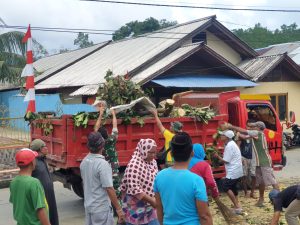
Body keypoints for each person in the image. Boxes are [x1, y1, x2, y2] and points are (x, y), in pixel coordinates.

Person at [154, 132, 213, 225]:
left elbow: (159, 208)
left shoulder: (159, 176)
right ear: (192, 153)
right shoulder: (196, 180)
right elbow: (204, 216)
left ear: (172, 153)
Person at [226, 121, 279, 207]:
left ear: (258, 127)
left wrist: (231, 126)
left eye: (255, 126)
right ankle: (261, 200)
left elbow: (244, 131)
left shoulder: (258, 133)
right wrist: (236, 134)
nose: (253, 128)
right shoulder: (255, 135)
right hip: (259, 162)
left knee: (272, 181)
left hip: (264, 161)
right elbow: (244, 136)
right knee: (261, 182)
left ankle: (279, 199)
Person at [80, 132, 125, 225]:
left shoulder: (84, 162)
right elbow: (109, 188)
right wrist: (119, 209)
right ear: (102, 145)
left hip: (89, 207)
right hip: (101, 209)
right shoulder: (102, 164)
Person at [120, 138, 159, 225]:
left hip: (150, 207)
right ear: (143, 150)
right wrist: (152, 201)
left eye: (154, 152)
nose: (153, 155)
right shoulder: (134, 165)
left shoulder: (153, 163)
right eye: (151, 152)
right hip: (135, 208)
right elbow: (134, 189)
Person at [9, 148, 51, 225]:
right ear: (32, 162)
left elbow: (17, 203)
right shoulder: (34, 183)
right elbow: (40, 210)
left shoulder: (13, 182)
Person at [94, 102, 121, 197]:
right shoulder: (112, 139)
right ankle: (118, 206)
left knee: (105, 188)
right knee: (116, 188)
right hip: (113, 168)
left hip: (103, 169)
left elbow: (96, 128)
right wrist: (113, 114)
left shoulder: (99, 143)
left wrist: (100, 115)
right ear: (107, 134)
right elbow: (115, 126)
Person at [213, 130, 243, 214]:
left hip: (233, 170)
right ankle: (237, 205)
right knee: (233, 187)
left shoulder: (229, 146)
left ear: (226, 137)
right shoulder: (231, 144)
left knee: (226, 187)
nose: (221, 137)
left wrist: (217, 156)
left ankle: (237, 206)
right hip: (237, 170)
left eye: (222, 135)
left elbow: (226, 161)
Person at [30, 139, 59, 225]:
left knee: (53, 215)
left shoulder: (43, 160)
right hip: (42, 197)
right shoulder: (34, 163)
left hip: (50, 196)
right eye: (44, 146)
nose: (47, 148)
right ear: (39, 149)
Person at [235, 120, 257, 198]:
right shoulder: (243, 134)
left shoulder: (256, 134)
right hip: (244, 157)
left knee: (254, 175)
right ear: (246, 126)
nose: (250, 128)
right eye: (248, 126)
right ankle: (246, 193)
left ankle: (252, 192)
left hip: (254, 157)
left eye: (252, 126)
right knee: (244, 175)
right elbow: (238, 146)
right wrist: (240, 157)